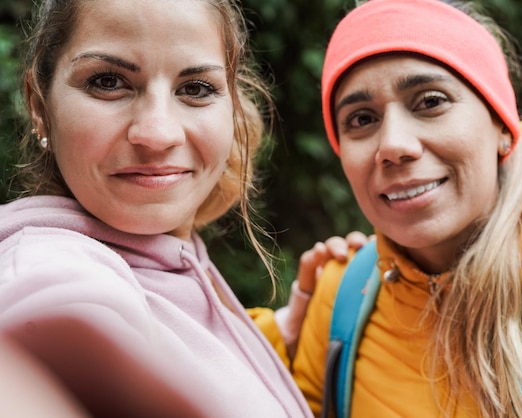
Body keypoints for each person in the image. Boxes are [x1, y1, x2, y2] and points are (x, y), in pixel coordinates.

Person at [0, 0, 364, 416]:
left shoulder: (173, 259)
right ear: (38, 104)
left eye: (195, 89)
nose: (157, 133)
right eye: (107, 81)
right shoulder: (49, 266)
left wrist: (276, 345)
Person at [288, 0, 522, 417]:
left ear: (502, 126)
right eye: (360, 119)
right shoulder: (340, 293)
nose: (393, 145)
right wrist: (275, 333)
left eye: (430, 101)